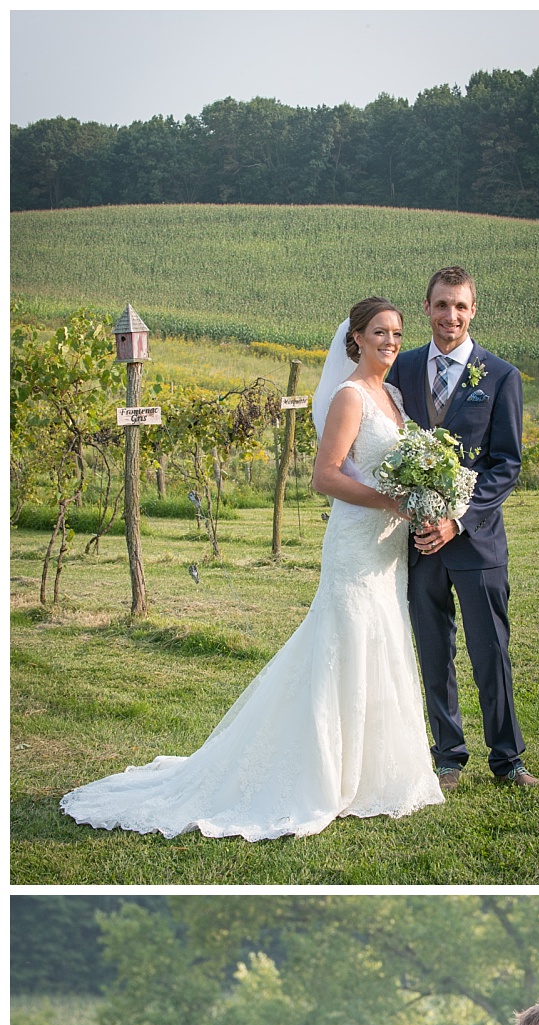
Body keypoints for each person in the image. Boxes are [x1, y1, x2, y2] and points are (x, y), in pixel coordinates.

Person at [60, 297, 442, 841]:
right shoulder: (350, 396)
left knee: (382, 640)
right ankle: (321, 773)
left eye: (397, 334)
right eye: (379, 332)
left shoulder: (395, 396)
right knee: (345, 643)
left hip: (388, 551)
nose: (390, 342)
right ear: (355, 338)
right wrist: (392, 501)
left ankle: (373, 773)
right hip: (357, 545)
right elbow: (325, 476)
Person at [389, 266, 539, 791]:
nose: (449, 316)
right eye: (440, 305)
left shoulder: (500, 376)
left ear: (473, 310)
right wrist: (412, 509)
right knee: (433, 649)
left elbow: (506, 463)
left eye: (459, 306)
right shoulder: (402, 370)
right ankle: (448, 757)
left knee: (490, 650)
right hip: (416, 542)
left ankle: (508, 759)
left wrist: (457, 520)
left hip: (475, 541)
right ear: (426, 308)